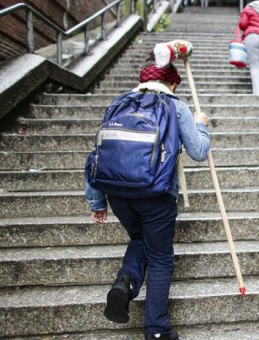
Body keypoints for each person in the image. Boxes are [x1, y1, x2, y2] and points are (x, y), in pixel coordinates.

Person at [85, 44, 211, 340]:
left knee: (139, 238)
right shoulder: (175, 106)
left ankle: (125, 284)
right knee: (160, 258)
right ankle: (157, 329)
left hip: (117, 192)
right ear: (172, 81)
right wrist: (201, 125)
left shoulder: (119, 103)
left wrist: (97, 201)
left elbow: (98, 153)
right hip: (156, 193)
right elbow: (199, 151)